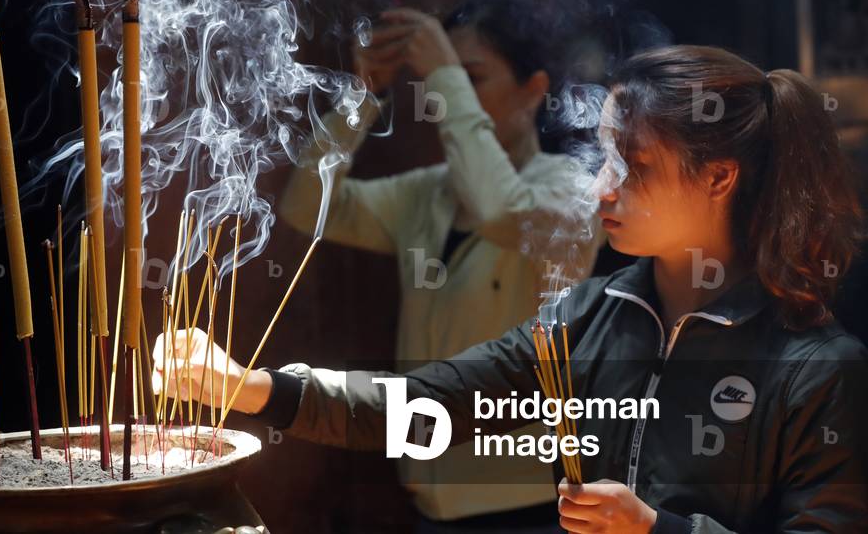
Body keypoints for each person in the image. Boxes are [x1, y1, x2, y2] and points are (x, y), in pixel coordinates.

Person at [155, 45, 868, 533]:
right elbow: (424, 406)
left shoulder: (816, 365)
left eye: (636, 165)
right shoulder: (590, 316)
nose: (602, 187)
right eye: (606, 157)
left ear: (719, 176)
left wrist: (659, 528)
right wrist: (251, 388)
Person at [275, 0, 605, 530]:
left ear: (534, 88)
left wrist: (446, 76)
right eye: (444, 83)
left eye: (471, 78)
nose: (449, 99)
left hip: (530, 504)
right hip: (428, 500)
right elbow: (305, 208)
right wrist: (366, 95)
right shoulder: (430, 193)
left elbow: (500, 209)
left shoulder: (571, 188)